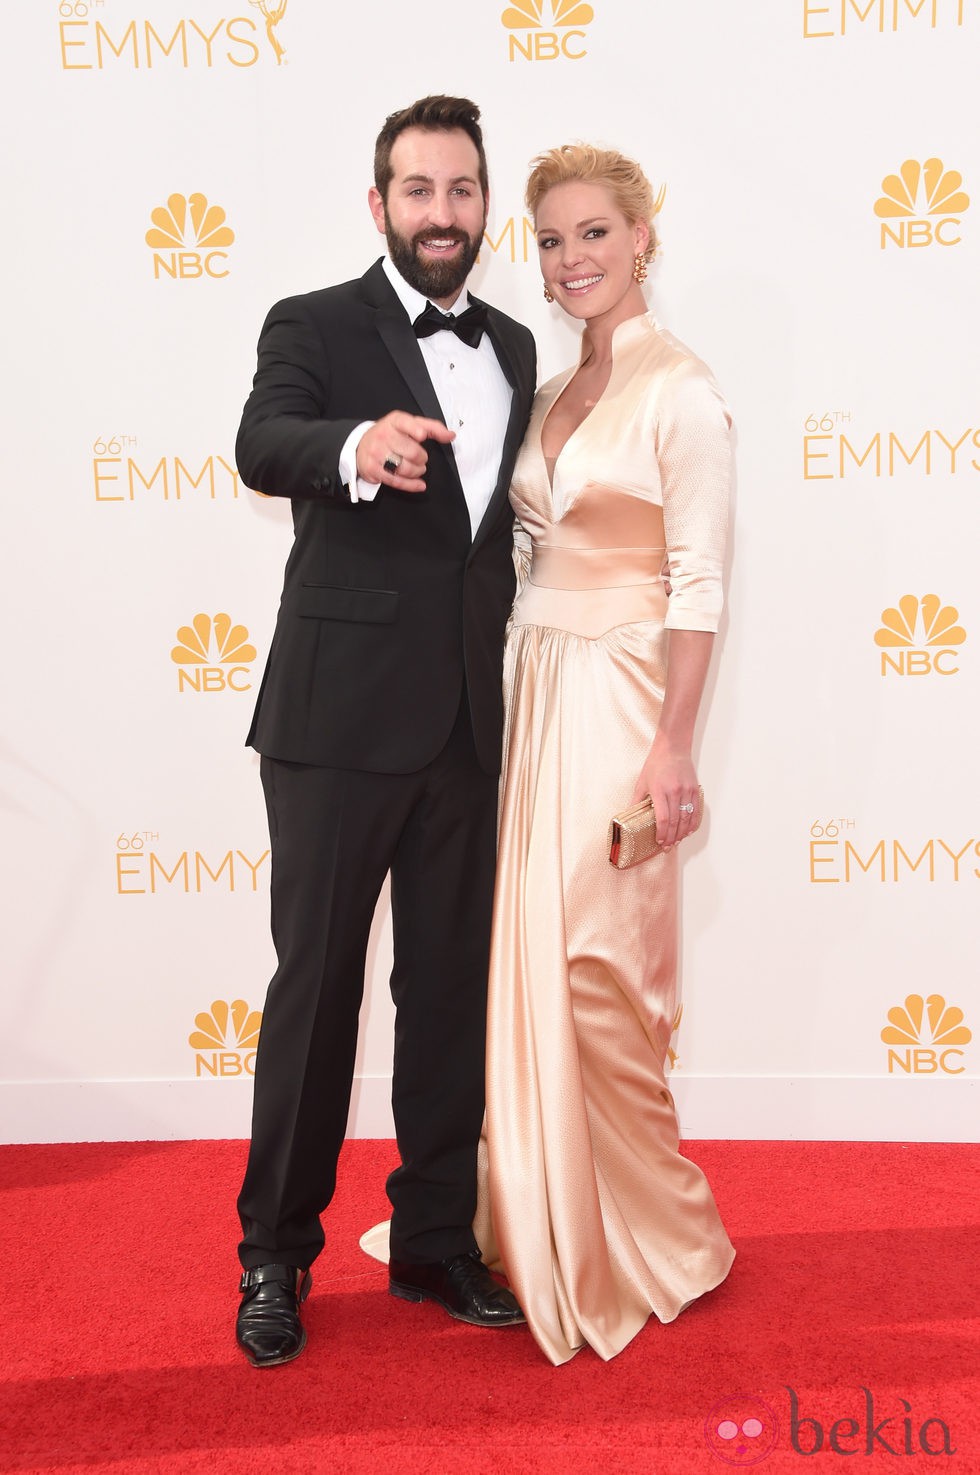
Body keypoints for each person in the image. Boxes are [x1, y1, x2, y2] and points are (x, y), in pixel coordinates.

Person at [233, 95, 536, 1368]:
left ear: (485, 207)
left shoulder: (517, 345)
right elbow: (262, 442)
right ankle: (274, 1257)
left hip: (468, 721)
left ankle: (431, 1239)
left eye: (462, 191)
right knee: (316, 994)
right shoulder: (311, 321)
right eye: (418, 191)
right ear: (380, 206)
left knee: (447, 992)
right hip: (336, 718)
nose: (441, 214)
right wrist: (353, 442)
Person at [475, 143, 736, 1364]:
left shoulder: (679, 389)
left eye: (593, 233)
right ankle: (535, 1209)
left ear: (642, 239)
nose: (571, 257)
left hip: (624, 693)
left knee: (593, 962)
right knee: (522, 956)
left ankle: (656, 1232)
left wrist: (673, 742)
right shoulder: (545, 384)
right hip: (530, 683)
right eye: (550, 237)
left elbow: (699, 582)